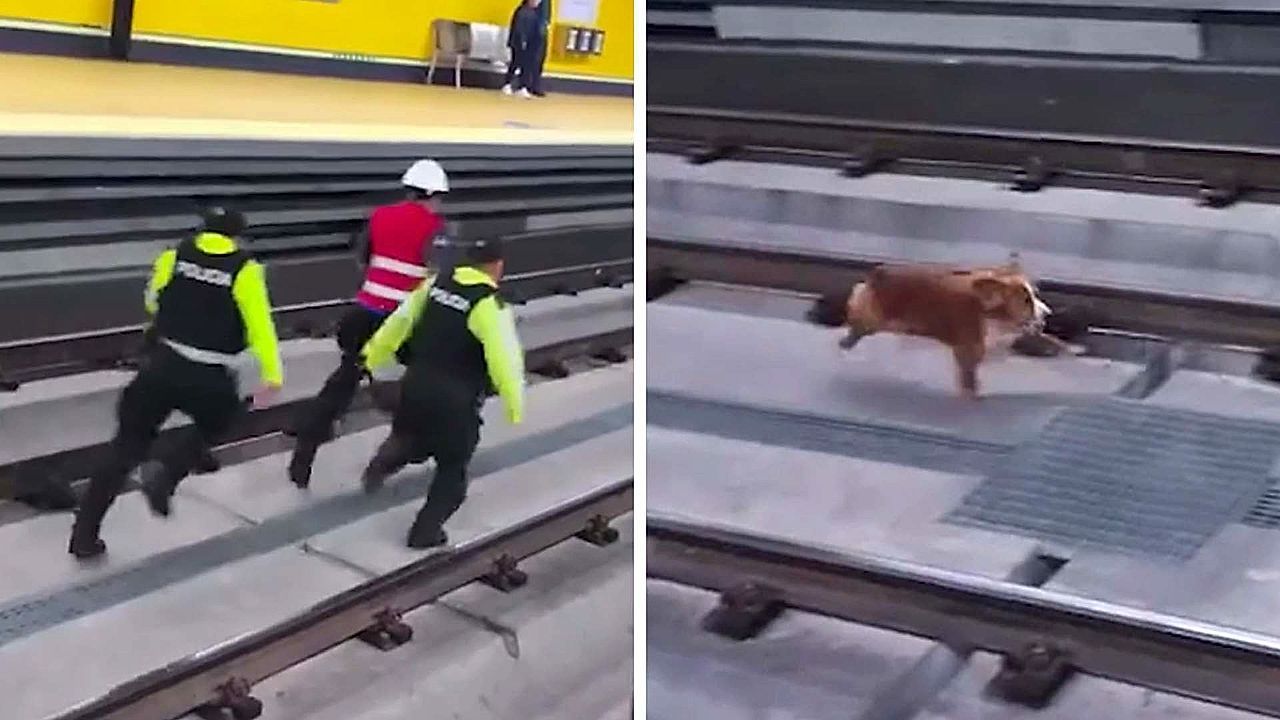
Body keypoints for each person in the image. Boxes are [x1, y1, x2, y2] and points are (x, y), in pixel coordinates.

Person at [69, 207, 283, 559]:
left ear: (203, 230)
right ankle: (167, 472)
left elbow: (153, 301)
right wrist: (272, 376)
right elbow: (261, 326)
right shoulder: (246, 270)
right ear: (236, 236)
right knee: (219, 421)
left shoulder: (174, 255)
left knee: (124, 447)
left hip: (161, 365)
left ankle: (84, 536)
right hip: (209, 375)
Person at [287, 159, 451, 489]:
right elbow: (440, 275)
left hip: (363, 312)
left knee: (344, 381)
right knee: (428, 382)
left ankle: (304, 451)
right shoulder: (437, 227)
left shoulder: (380, 216)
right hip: (401, 323)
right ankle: (392, 457)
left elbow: (363, 256)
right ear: (432, 194)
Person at [358, 237, 525, 549]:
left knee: (410, 436)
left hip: (415, 385)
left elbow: (400, 321)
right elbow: (504, 356)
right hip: (455, 400)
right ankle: (424, 532)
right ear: (496, 266)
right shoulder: (488, 302)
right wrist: (514, 404)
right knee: (452, 470)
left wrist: (371, 355)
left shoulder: (436, 284)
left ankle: (385, 460)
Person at [502, 0, 542, 98]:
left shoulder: (533, 13)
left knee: (526, 67)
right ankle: (507, 84)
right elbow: (519, 29)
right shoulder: (522, 12)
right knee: (515, 63)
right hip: (519, 44)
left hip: (529, 45)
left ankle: (522, 86)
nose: (538, 2)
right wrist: (523, 41)